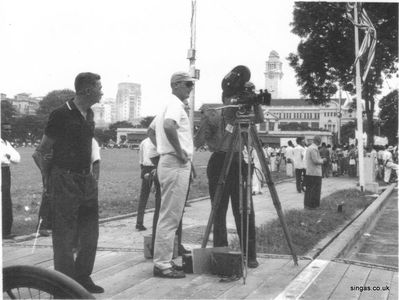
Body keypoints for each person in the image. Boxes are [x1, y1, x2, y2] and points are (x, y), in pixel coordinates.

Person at [33, 72, 104, 293]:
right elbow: (41, 151)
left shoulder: (90, 114)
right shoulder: (61, 114)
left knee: (90, 232)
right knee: (64, 235)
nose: (102, 91)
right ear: (86, 90)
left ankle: (82, 277)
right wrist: (50, 178)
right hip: (64, 179)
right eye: (99, 87)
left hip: (86, 180)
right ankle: (64, 287)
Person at [194, 81, 264, 269]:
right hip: (219, 162)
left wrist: (254, 101)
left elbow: (259, 119)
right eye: (234, 96)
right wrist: (205, 120)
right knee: (219, 211)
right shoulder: (214, 115)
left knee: (245, 210)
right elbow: (198, 140)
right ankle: (220, 253)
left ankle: (250, 255)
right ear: (225, 99)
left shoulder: (244, 114)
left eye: (240, 96)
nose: (237, 100)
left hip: (238, 162)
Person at [147, 71, 194, 279]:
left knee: (168, 214)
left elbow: (151, 131)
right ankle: (163, 264)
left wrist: (163, 149)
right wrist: (178, 150)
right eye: (187, 84)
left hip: (169, 161)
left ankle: (163, 260)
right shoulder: (175, 104)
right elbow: (168, 126)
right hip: (175, 162)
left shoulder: (168, 104)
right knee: (170, 216)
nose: (190, 88)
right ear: (175, 85)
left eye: (191, 85)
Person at [1, 122, 21, 239]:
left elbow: (17, 159)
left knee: (6, 200)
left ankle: (6, 230)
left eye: (9, 129)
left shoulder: (7, 143)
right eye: (5, 130)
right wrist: (8, 157)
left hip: (5, 172)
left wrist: (8, 156)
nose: (8, 132)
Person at [135, 137, 158, 231]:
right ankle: (156, 223)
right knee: (159, 196)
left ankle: (139, 222)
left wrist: (143, 169)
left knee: (143, 197)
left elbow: (140, 158)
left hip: (145, 168)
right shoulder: (159, 140)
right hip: (156, 167)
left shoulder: (143, 141)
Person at [304, 135, 326, 209]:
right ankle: (313, 206)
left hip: (310, 172)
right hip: (315, 173)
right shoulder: (314, 148)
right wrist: (323, 160)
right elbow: (315, 161)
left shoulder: (310, 148)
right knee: (315, 190)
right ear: (318, 141)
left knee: (309, 190)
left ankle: (307, 205)